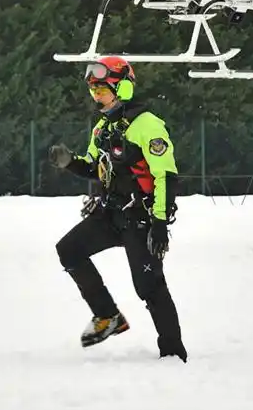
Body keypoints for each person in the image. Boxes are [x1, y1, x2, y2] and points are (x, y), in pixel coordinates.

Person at [46, 55, 187, 361]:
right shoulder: (102, 128)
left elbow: (166, 176)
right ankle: (108, 316)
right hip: (110, 214)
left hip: (140, 219)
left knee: (148, 286)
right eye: (93, 90)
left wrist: (160, 223)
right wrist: (70, 162)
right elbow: (93, 167)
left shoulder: (147, 125)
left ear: (123, 88)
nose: (96, 96)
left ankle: (173, 353)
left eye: (102, 89)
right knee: (69, 250)